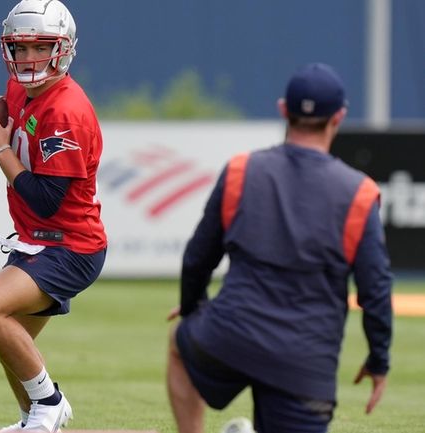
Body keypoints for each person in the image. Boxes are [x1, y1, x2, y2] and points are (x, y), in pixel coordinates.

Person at [166, 63, 393, 433]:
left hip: (230, 335)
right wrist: (378, 361)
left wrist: (194, 308)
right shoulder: (360, 193)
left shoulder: (241, 170)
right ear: (339, 117)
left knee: (179, 342)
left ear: (283, 110)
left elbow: (197, 259)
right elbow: (376, 292)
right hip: (305, 363)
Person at [0, 1, 107, 432]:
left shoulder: (66, 110)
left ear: (64, 48)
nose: (29, 59)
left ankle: (50, 402)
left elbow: (47, 200)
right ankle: (33, 421)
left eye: (40, 47)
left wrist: (0, 149)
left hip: (69, 245)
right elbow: (9, 128)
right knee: (11, 341)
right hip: (39, 239)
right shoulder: (17, 89)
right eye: (20, 49)